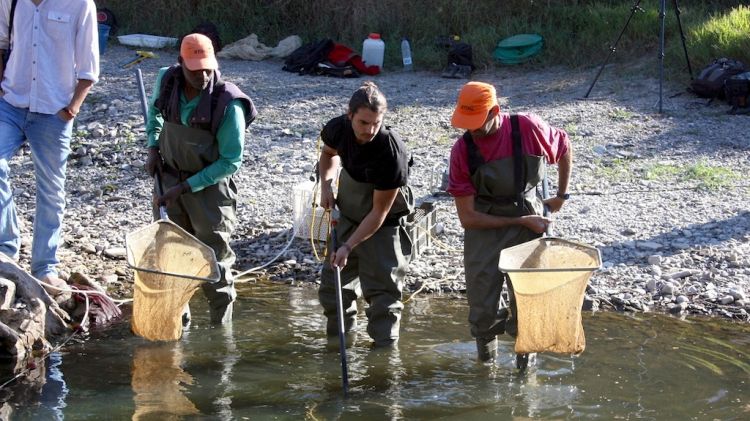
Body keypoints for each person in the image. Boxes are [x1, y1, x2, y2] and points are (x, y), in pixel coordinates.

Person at [447, 81, 572, 362]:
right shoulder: (462, 151)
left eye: (478, 122)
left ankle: (525, 372)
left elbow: (564, 147)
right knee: (481, 307)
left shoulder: (528, 127)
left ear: (495, 111)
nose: (473, 130)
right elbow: (468, 218)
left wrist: (561, 196)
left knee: (528, 301)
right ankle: (485, 368)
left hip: (527, 209)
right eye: (467, 123)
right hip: (484, 221)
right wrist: (520, 221)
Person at [145, 33, 257, 324]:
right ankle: (177, 323)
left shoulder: (229, 103)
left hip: (210, 191)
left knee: (213, 260)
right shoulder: (166, 80)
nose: (203, 76)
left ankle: (220, 335)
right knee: (171, 255)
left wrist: (186, 186)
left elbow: (230, 161)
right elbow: (154, 114)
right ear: (181, 63)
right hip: (169, 181)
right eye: (195, 70)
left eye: (208, 68)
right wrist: (153, 147)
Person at [0, 0, 99, 293]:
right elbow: (2, 43)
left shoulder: (80, 4)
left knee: (52, 191)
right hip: (11, 104)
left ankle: (45, 267)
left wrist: (71, 110)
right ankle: (6, 250)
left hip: (55, 112)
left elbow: (88, 68)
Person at [318, 82, 413, 348]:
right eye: (363, 122)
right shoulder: (338, 128)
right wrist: (326, 184)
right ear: (349, 116)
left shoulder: (392, 152)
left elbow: (379, 213)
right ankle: (338, 344)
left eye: (376, 123)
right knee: (333, 286)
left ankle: (383, 362)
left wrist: (349, 246)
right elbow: (328, 155)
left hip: (383, 224)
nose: (369, 130)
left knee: (383, 294)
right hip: (348, 213)